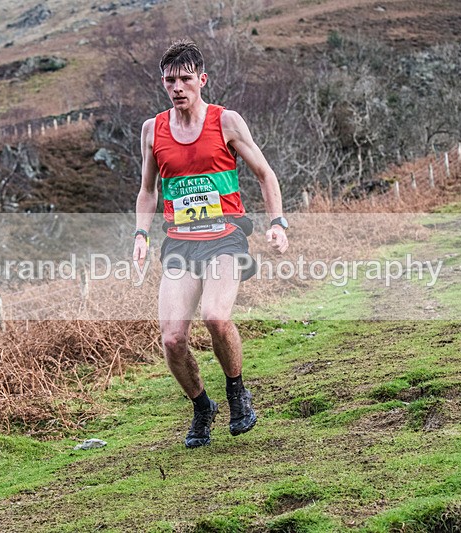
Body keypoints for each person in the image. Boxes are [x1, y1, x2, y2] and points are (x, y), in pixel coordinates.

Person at [132, 39, 289, 448]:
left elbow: (265, 174)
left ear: (202, 80)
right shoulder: (153, 130)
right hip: (181, 244)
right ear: (163, 83)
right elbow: (148, 191)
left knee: (216, 317)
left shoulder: (227, 121)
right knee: (172, 338)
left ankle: (238, 393)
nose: (178, 87)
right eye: (170, 80)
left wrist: (277, 222)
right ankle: (203, 406)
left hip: (226, 237)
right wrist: (141, 233)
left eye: (186, 78)